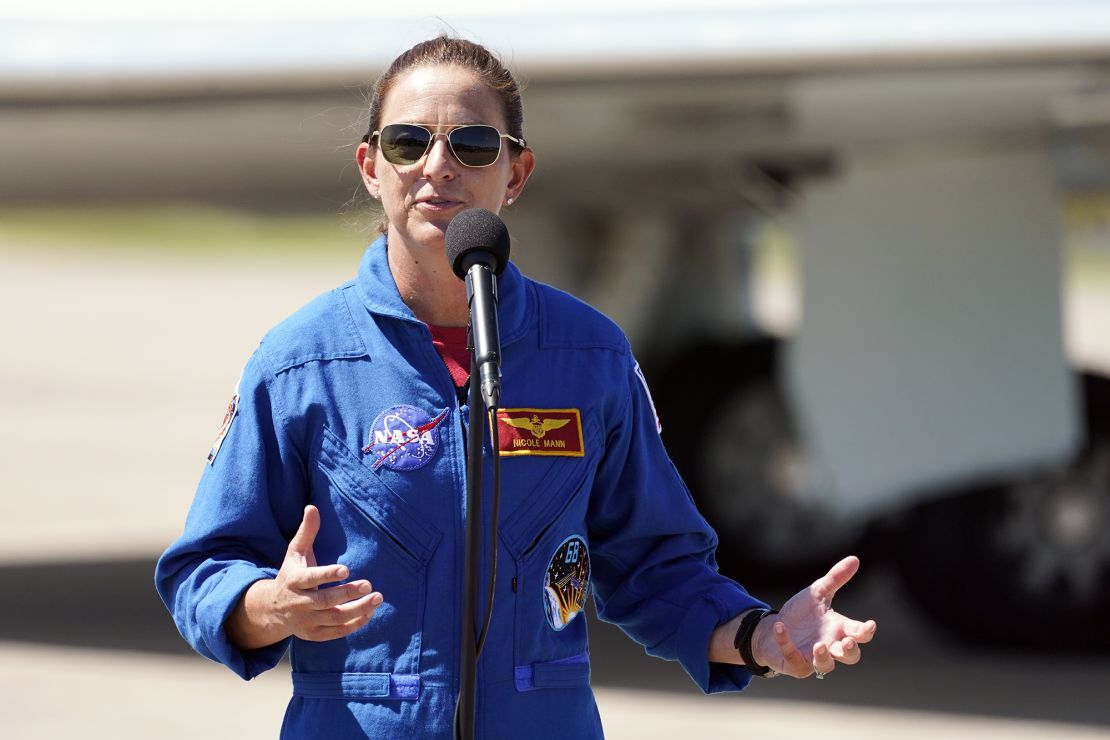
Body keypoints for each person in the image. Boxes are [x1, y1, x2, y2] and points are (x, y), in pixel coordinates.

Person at [155, 35, 877, 739]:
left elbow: (657, 567)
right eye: (407, 143)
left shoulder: (588, 354)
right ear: (371, 167)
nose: (437, 166)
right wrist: (271, 607)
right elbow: (204, 569)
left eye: (472, 146)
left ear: (517, 173)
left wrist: (764, 634)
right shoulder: (302, 362)